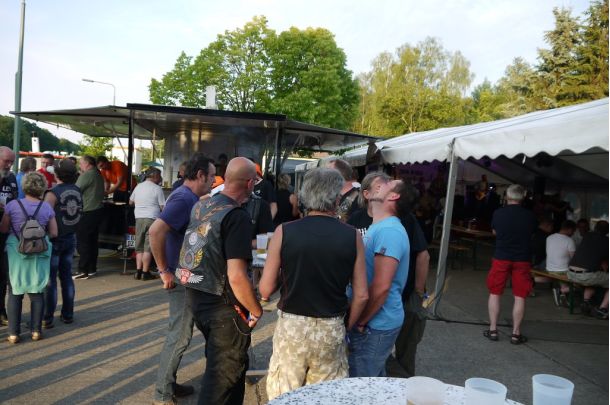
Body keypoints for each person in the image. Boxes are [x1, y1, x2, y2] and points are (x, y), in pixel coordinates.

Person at [259, 168, 368, 399]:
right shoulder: (353, 236)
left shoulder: (284, 231)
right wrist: (346, 326)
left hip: (292, 326)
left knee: (284, 395)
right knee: (325, 397)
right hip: (331, 325)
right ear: (336, 199)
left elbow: (265, 288)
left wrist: (286, 270)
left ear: (305, 196)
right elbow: (361, 295)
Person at [177, 157, 263, 405]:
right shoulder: (236, 216)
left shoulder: (200, 205)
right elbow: (236, 275)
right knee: (221, 380)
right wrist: (256, 309)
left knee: (229, 372)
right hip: (224, 308)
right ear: (249, 183)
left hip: (198, 298)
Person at [149, 153, 215, 405]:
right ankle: (162, 394)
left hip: (186, 276)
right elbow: (155, 231)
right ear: (200, 175)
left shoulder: (188, 197)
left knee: (181, 334)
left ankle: (169, 384)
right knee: (179, 336)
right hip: (180, 278)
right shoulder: (183, 198)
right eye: (211, 177)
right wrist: (164, 270)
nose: (213, 181)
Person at [349, 172, 430, 378]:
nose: (381, 184)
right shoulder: (380, 226)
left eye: (387, 183)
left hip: (375, 324)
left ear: (393, 196)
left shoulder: (389, 232)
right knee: (373, 378)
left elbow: (382, 287)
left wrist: (361, 321)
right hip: (374, 322)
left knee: (362, 382)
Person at [0, 172, 58, 343]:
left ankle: (13, 333)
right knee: (37, 291)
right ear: (42, 188)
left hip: (16, 251)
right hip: (39, 253)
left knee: (15, 291)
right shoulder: (46, 207)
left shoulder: (12, 205)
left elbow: (3, 229)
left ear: (24, 186)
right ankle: (36, 331)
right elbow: (54, 232)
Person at [484, 184, 536, 345]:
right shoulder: (530, 215)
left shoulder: (498, 213)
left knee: (495, 292)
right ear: (523, 197)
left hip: (501, 256)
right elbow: (531, 234)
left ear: (507, 196)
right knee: (520, 296)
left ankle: (493, 330)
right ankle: (515, 333)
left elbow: (495, 232)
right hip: (522, 258)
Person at [42, 159, 83, 327]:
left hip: (54, 239)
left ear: (57, 174)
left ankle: (47, 318)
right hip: (70, 236)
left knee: (50, 281)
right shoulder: (77, 190)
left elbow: (44, 216)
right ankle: (68, 314)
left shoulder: (53, 193)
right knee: (66, 278)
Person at [568, 220, 609, 319]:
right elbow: (605, 262)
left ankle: (586, 302)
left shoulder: (587, 236)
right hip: (586, 276)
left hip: (571, 273)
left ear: (594, 228)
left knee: (593, 277)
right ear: (608, 231)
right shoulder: (606, 241)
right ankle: (602, 309)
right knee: (592, 276)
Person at [130, 167, 165, 281]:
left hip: (139, 219)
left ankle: (138, 272)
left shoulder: (138, 186)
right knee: (147, 247)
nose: (160, 178)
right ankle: (145, 273)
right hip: (152, 219)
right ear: (155, 176)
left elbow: (131, 202)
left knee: (139, 247)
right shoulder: (157, 189)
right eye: (159, 176)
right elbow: (163, 207)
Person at [72, 155, 105, 280]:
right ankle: (91, 268)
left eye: (81, 163)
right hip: (98, 210)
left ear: (87, 164)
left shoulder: (87, 175)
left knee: (83, 241)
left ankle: (82, 270)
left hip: (87, 210)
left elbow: (75, 190)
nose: (80, 166)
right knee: (92, 241)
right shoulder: (98, 174)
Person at [0, 146, 18, 325]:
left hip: (6, 234)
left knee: (3, 274)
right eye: (6, 161)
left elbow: (15, 200)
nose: (9, 165)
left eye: (11, 162)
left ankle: (2, 311)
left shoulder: (11, 178)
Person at [545, 220, 576, 307]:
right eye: (573, 231)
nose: (573, 233)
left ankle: (562, 293)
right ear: (570, 229)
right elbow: (574, 259)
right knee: (580, 284)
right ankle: (562, 291)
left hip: (549, 269)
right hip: (563, 271)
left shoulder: (549, 237)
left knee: (563, 276)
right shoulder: (569, 240)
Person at [327, 158, 359, 223]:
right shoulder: (332, 196)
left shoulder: (359, 196)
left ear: (339, 174)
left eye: (328, 172)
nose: (324, 176)